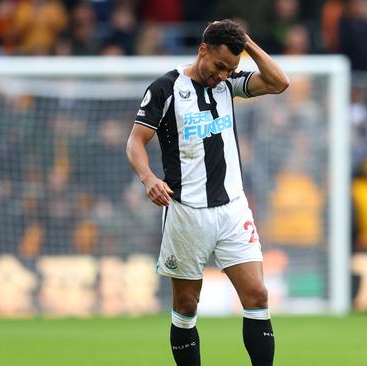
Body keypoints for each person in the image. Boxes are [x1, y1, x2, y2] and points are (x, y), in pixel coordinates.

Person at [126, 19, 289, 366]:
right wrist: (148, 177)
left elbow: (279, 82)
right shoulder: (166, 88)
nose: (222, 75)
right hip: (187, 212)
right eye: (219, 66)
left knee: (258, 295)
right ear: (203, 49)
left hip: (232, 209)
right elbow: (135, 142)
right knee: (186, 306)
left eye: (231, 69)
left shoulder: (228, 84)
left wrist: (246, 41)